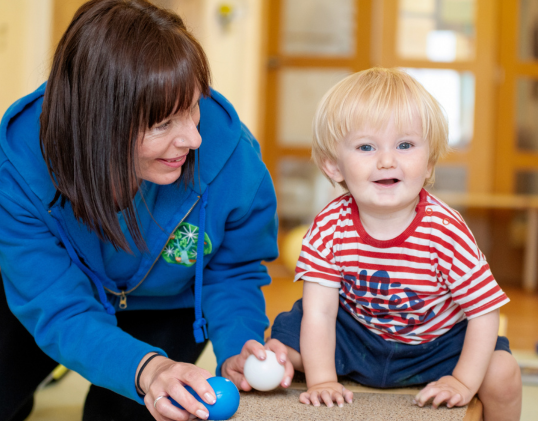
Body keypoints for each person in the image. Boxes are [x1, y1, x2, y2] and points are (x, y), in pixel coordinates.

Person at [0, 1, 294, 420]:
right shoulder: (18, 167)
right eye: (163, 125)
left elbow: (233, 268)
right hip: (54, 300)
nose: (193, 138)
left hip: (167, 307)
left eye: (193, 107)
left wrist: (238, 346)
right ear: (100, 124)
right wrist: (143, 368)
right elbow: (59, 306)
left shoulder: (230, 153)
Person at [270, 68, 522, 421]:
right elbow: (321, 312)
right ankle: (309, 367)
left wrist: (462, 382)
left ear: (430, 160)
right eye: (366, 146)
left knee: (502, 372)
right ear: (333, 165)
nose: (387, 160)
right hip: (357, 338)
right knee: (282, 344)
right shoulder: (329, 225)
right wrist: (322, 380)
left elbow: (484, 311)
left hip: (435, 347)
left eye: (405, 145)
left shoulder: (446, 230)